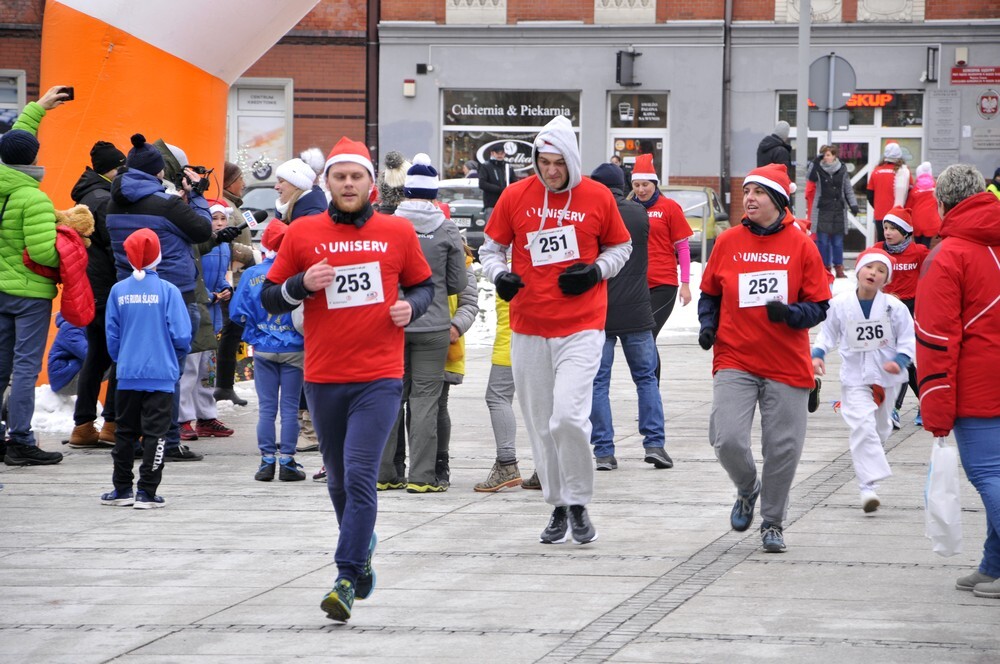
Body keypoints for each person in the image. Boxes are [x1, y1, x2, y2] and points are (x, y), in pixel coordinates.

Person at [260, 136, 434, 622]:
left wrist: (411, 306)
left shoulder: (397, 233)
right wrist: (300, 285)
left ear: (371, 184)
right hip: (323, 375)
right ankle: (364, 545)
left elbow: (423, 285)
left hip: (379, 375)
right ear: (328, 182)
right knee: (337, 479)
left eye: (357, 176)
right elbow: (270, 296)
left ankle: (346, 575)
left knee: (360, 474)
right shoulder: (304, 233)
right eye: (340, 176)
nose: (349, 183)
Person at [479, 115, 633, 545]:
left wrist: (596, 271)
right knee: (541, 424)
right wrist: (499, 275)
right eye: (543, 162)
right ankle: (559, 506)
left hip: (581, 325)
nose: (550, 171)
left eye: (558, 163)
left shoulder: (598, 197)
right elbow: (492, 248)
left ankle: (580, 500)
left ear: (572, 160)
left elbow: (622, 246)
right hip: (529, 326)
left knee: (568, 416)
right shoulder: (515, 196)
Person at [698, 163, 830, 553]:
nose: (749, 198)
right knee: (727, 440)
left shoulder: (801, 244)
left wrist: (790, 314)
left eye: (758, 192)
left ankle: (772, 521)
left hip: (786, 362)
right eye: (747, 192)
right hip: (735, 356)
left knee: (783, 449)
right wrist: (708, 325)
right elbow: (710, 294)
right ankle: (746, 488)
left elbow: (820, 306)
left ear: (776, 199)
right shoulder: (728, 241)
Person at [915, 163, 1000, 600]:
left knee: (988, 474)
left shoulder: (948, 254)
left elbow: (935, 338)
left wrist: (935, 407)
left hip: (979, 385)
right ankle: (993, 566)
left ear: (943, 203)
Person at [106, 134, 219, 462]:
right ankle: (168, 441)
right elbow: (202, 231)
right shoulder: (166, 205)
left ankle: (135, 437)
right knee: (170, 370)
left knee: (134, 368)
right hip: (174, 294)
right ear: (159, 172)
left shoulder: (114, 203)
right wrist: (196, 196)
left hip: (128, 293)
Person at [378, 153, 467, 493]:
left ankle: (385, 473)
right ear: (435, 196)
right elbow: (458, 283)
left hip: (393, 324)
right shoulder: (446, 228)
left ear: (405, 192)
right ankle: (422, 477)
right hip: (433, 326)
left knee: (390, 397)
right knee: (426, 401)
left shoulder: (387, 226)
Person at [811, 250, 914, 512]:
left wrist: (900, 360)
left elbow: (907, 339)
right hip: (855, 377)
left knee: (880, 429)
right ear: (858, 271)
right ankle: (867, 487)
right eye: (870, 268)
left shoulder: (895, 307)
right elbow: (828, 332)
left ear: (886, 280)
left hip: (887, 378)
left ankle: (869, 480)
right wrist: (818, 354)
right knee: (862, 425)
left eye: (881, 271)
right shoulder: (840, 303)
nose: (873, 274)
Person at [0, 85, 70, 467]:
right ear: (34, 159)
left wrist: (37, 108)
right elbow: (43, 251)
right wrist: (69, 260)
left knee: (0, 365)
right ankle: (21, 439)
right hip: (29, 295)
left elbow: (14, 143)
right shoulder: (33, 198)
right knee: (25, 367)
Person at [589, 163, 672, 472]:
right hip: (638, 309)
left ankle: (604, 452)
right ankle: (655, 445)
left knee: (599, 382)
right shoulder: (639, 214)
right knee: (646, 378)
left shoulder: (593, 213)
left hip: (601, 311)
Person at [101, 228, 192, 508]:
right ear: (158, 257)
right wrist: (173, 357)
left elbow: (112, 337)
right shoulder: (168, 291)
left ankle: (122, 489)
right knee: (156, 434)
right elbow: (182, 336)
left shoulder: (118, 291)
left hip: (127, 373)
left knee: (125, 432)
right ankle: (147, 492)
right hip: (161, 374)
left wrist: (124, 358)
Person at [230, 219, 305, 482]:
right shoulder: (296, 273)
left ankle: (266, 462)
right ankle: (287, 461)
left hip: (262, 348)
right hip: (295, 348)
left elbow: (237, 314)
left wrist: (256, 333)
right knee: (290, 408)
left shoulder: (252, 275)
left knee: (267, 409)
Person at [68, 140, 126, 447]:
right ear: (113, 169)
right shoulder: (103, 199)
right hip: (106, 286)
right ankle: (112, 423)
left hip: (90, 286)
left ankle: (83, 425)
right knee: (119, 352)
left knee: (97, 353)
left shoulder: (88, 193)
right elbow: (114, 242)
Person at [630, 153, 693, 382]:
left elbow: (683, 248)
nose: (641, 189)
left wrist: (686, 284)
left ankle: (650, 392)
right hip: (636, 285)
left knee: (646, 334)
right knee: (642, 339)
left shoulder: (669, 207)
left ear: (654, 184)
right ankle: (649, 395)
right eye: (636, 185)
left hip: (664, 284)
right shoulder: (629, 208)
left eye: (645, 184)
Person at [177, 200, 235, 442]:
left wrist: (224, 287)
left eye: (223, 219)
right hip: (198, 307)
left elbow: (220, 274)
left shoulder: (225, 245)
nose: (219, 223)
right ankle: (182, 418)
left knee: (208, 370)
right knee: (190, 368)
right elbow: (196, 276)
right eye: (215, 219)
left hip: (212, 316)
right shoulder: (195, 244)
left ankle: (206, 416)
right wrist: (210, 295)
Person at [474, 280, 541, 492]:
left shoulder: (508, 271)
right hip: (544, 343)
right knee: (542, 403)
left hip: (510, 344)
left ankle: (506, 463)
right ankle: (547, 466)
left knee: (497, 397)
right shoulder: (541, 265)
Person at [870, 207, 928, 428]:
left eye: (893, 228)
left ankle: (895, 408)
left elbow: (931, 276)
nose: (887, 232)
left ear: (905, 231)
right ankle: (922, 402)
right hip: (884, 308)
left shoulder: (919, 252)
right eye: (885, 227)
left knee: (904, 357)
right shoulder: (877, 250)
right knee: (891, 358)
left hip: (910, 309)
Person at [435, 243, 480, 485]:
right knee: (401, 406)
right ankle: (398, 463)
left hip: (445, 343)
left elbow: (469, 302)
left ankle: (440, 463)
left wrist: (456, 327)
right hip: (406, 339)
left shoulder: (461, 260)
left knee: (438, 406)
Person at [214, 160, 255, 407]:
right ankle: (222, 385)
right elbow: (223, 243)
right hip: (231, 280)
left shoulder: (233, 206)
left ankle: (224, 385)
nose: (244, 183)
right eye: (241, 178)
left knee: (232, 333)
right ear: (230, 181)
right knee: (229, 333)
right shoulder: (225, 209)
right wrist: (251, 255)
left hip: (237, 279)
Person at [808, 145, 859, 278]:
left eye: (829, 155)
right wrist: (814, 162)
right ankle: (825, 268)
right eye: (824, 155)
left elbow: (847, 188)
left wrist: (853, 204)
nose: (826, 158)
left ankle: (839, 268)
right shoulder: (818, 168)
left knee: (837, 242)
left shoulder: (842, 169)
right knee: (823, 242)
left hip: (838, 210)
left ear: (835, 156)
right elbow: (810, 178)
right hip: (823, 209)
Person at [866, 143, 911, 243]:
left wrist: (878, 206)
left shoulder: (876, 171)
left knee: (882, 244)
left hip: (880, 214)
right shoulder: (904, 171)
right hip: (898, 215)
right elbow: (909, 194)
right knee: (897, 244)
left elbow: (869, 195)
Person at [274, 157, 327, 222]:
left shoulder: (314, 218)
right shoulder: (285, 213)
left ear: (297, 184)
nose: (276, 187)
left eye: (281, 181)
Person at [47, 314, 87, 396]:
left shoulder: (78, 326)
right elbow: (87, 353)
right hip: (64, 379)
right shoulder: (70, 328)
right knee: (113, 363)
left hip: (69, 373)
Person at [906, 162, 942, 247]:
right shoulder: (936, 187)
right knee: (926, 245)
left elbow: (908, 206)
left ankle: (919, 259)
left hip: (917, 222)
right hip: (931, 221)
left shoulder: (914, 189)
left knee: (918, 245)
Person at [478, 144, 515, 212]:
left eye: (502, 153)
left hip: (507, 203)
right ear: (492, 153)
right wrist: (500, 189)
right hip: (492, 204)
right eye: (497, 153)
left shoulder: (508, 166)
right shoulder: (486, 166)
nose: (500, 155)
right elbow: (482, 184)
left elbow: (514, 182)